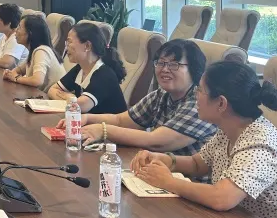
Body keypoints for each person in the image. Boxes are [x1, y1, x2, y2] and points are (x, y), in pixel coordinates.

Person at [132, 61, 277, 218]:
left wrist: (168, 182)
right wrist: (167, 160)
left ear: (221, 103)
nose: (195, 95)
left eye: (200, 90)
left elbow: (222, 198)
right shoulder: (230, 128)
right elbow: (198, 163)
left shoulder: (261, 143)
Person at [59, 39, 216, 153]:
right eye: (161, 63)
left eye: (174, 64)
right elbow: (122, 120)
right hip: (160, 170)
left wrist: (103, 130)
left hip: (190, 181)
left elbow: (157, 141)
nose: (164, 69)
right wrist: (87, 118)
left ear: (194, 70)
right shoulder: (161, 95)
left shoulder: (199, 103)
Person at [47, 22, 127, 114]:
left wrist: (69, 97)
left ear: (87, 46)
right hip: (88, 121)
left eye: (69, 42)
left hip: (109, 123)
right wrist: (71, 98)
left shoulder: (105, 74)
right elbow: (52, 90)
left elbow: (81, 106)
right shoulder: (80, 68)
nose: (66, 47)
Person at [3, 14, 65, 92]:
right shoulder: (34, 51)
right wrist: (10, 73)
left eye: (19, 27)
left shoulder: (41, 51)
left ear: (30, 33)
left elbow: (37, 81)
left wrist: (16, 78)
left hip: (52, 97)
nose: (16, 30)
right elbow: (20, 70)